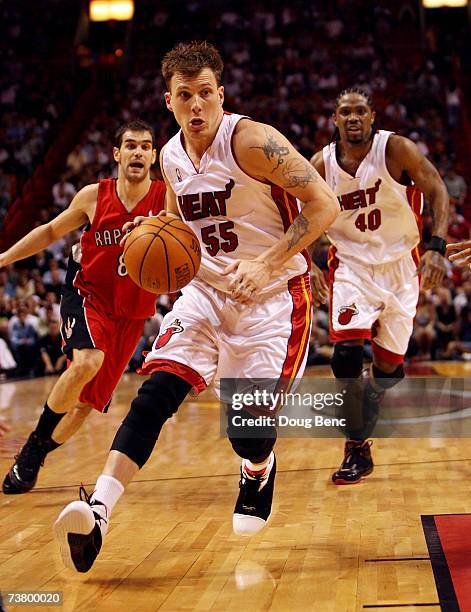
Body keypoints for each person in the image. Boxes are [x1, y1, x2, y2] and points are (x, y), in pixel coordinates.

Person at [53, 41, 339, 573]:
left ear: (221, 94)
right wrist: (153, 231)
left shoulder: (252, 140)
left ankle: (258, 468)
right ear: (170, 101)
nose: (197, 105)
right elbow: (176, 226)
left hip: (273, 300)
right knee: (153, 395)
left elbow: (325, 203)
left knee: (246, 433)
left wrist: (270, 261)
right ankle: (99, 512)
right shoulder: (169, 156)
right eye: (185, 96)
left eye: (205, 93)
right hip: (206, 292)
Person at [1, 119, 166, 494]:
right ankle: (31, 450)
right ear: (116, 154)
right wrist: (4, 258)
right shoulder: (94, 196)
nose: (137, 152)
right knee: (87, 362)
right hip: (88, 294)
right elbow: (49, 231)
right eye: (130, 145)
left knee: (85, 406)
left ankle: (37, 451)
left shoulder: (165, 198)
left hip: (132, 312)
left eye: (144, 146)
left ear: (154, 156)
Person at [309, 88, 449, 485]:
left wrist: (436, 247)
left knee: (388, 372)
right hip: (351, 266)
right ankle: (357, 448)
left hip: (402, 266)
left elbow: (437, 189)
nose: (352, 118)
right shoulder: (320, 165)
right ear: (334, 120)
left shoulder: (396, 150)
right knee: (345, 358)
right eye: (344, 112)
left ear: (372, 116)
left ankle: (373, 391)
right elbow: (298, 214)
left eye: (360, 112)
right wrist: (306, 261)